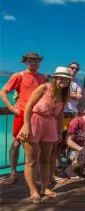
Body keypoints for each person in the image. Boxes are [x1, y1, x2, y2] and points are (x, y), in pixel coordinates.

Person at [17, 66, 70, 203]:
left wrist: (59, 132)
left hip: (50, 125)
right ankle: (33, 190)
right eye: (61, 78)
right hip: (35, 122)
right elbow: (29, 106)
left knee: (46, 159)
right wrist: (27, 125)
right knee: (32, 160)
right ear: (55, 78)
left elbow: (60, 115)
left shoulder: (64, 94)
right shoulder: (44, 88)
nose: (63, 81)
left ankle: (44, 188)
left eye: (66, 79)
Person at [0, 52, 46, 185]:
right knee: (16, 143)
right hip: (21, 113)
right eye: (30, 60)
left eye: (36, 60)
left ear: (39, 62)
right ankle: (13, 173)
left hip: (38, 115)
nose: (33, 62)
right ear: (25, 62)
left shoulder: (42, 77)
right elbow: (3, 92)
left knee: (37, 144)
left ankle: (34, 174)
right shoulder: (18, 75)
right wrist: (10, 107)